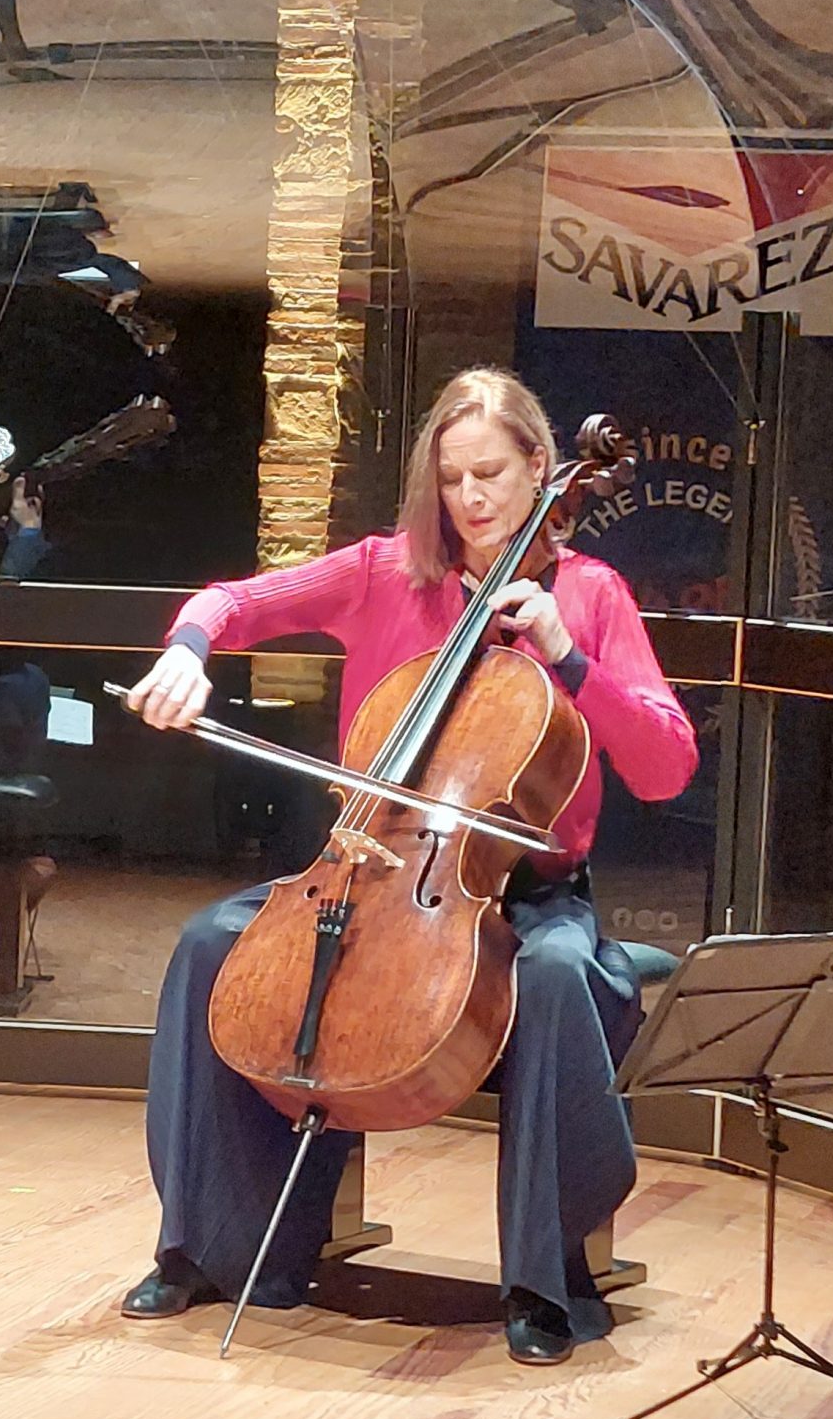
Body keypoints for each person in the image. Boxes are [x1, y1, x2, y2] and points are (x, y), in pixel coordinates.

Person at [118, 365, 696, 1365]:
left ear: (538, 472)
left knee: (556, 978)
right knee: (211, 942)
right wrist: (187, 649)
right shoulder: (389, 571)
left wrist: (567, 661)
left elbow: (664, 763)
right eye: (452, 478)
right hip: (372, 866)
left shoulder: (591, 596)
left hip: (528, 897)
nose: (470, 499)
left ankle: (547, 1281)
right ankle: (212, 1247)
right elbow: (232, 601)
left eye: (491, 475)